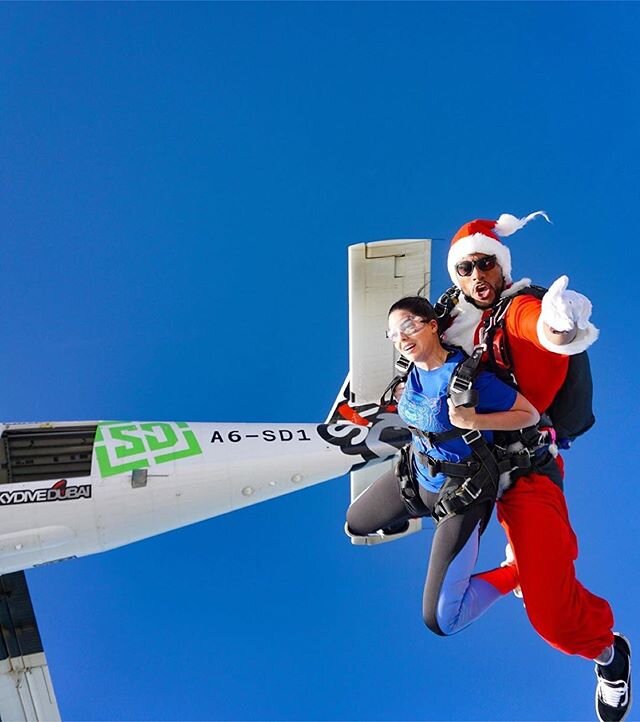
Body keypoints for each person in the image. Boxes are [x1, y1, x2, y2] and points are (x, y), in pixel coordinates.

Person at [439, 211, 631, 722]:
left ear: (501, 267)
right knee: (437, 604)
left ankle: (610, 654)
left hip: (526, 475)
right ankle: (519, 569)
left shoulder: (516, 307)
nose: (477, 276)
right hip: (468, 473)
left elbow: (537, 329)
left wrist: (558, 324)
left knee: (553, 620)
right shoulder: (445, 324)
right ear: (454, 277)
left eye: (486, 264)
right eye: (465, 269)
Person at [346, 295, 540, 637]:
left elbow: (529, 414)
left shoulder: (468, 379)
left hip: (461, 494)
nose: (402, 339)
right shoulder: (408, 372)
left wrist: (474, 419)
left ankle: (515, 573)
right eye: (393, 334)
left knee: (442, 620)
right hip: (415, 476)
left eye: (408, 326)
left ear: (432, 325)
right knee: (355, 524)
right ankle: (415, 515)